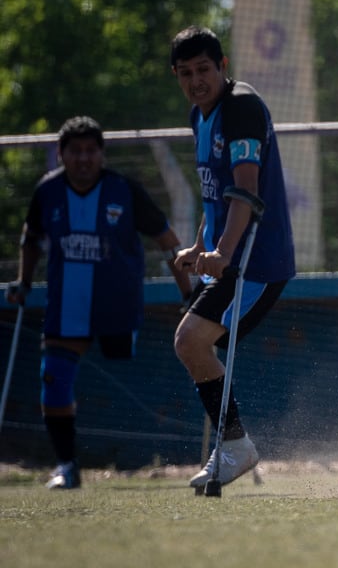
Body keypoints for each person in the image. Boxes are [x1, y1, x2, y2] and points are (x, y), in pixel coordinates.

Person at [5, 116, 194, 489]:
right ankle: (67, 466)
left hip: (118, 308)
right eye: (75, 151)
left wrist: (189, 292)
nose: (84, 159)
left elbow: (168, 241)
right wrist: (23, 282)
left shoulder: (124, 190)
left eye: (91, 150)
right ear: (61, 154)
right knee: (54, 381)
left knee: (138, 380)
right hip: (66, 307)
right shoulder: (47, 192)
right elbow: (30, 239)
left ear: (102, 154)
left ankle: (203, 450)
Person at [169, 26, 296, 488]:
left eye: (204, 69)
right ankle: (234, 447)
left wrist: (221, 252)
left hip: (255, 260)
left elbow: (245, 189)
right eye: (186, 73)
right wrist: (201, 246)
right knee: (196, 344)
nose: (196, 80)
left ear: (223, 66)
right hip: (230, 257)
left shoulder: (241, 106)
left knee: (191, 341)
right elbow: (215, 196)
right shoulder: (198, 115)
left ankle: (236, 447)